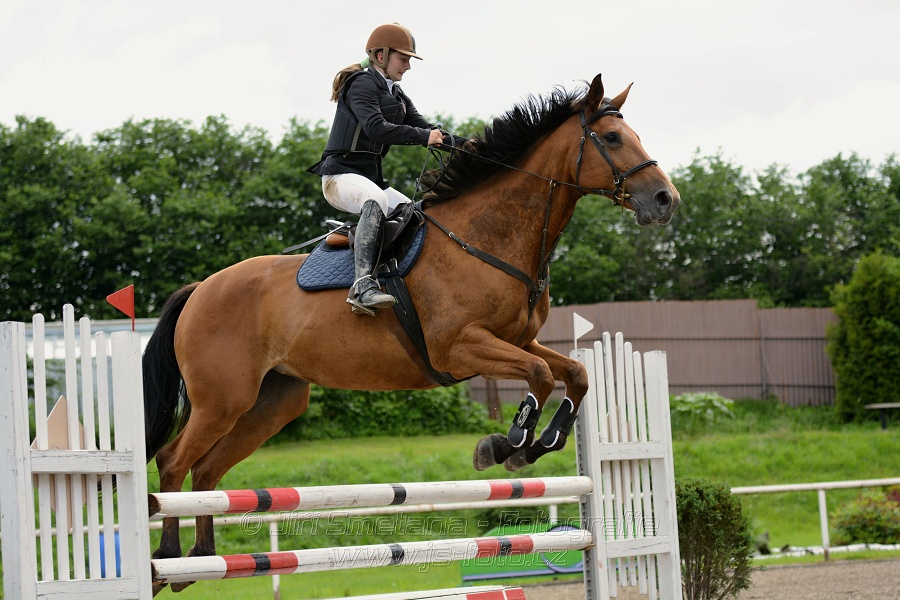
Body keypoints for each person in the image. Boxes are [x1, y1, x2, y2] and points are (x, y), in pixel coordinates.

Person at [308, 23, 448, 316]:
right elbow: (376, 128)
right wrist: (425, 137)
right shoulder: (360, 84)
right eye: (404, 58)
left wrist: (474, 147)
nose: (408, 66)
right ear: (381, 56)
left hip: (370, 180)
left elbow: (428, 129)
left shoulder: (396, 94)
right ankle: (361, 286)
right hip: (339, 177)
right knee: (376, 201)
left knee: (417, 214)